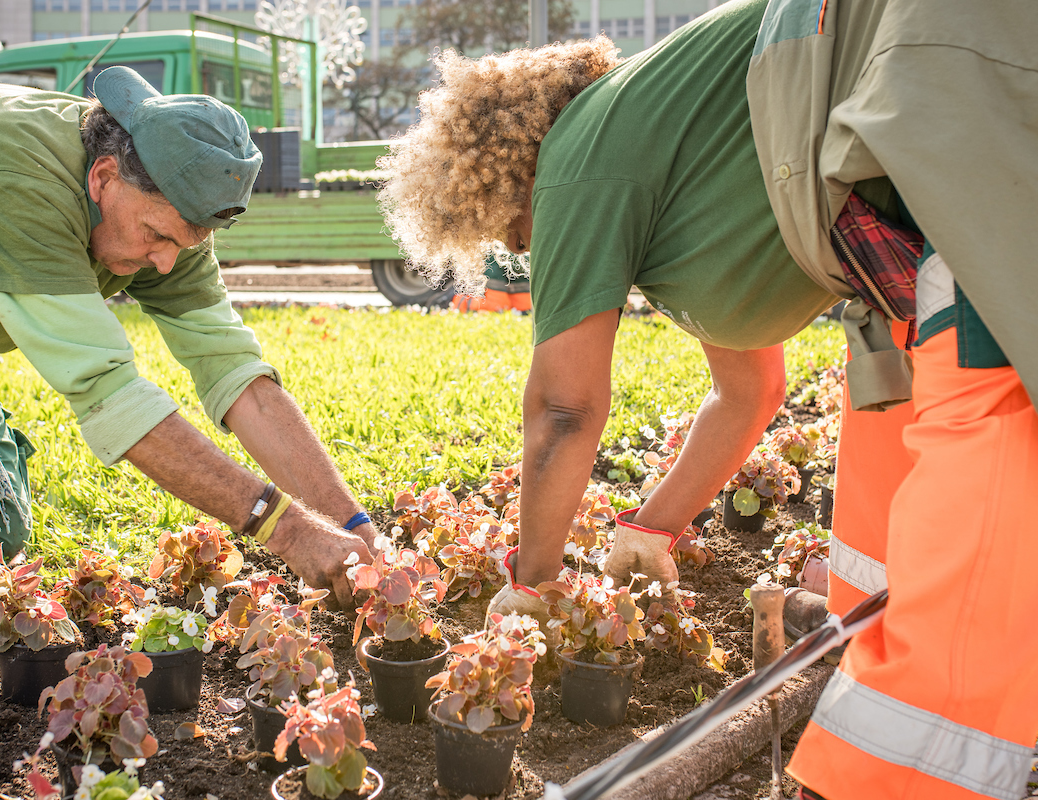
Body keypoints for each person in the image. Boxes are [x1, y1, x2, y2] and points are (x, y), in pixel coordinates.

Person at [378, 1, 1038, 798]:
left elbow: (563, 408)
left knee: (984, 475)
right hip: (924, 183)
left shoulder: (579, 163)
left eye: (512, 232)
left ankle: (905, 770)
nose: (523, 249)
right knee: (885, 425)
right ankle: (868, 646)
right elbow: (751, 391)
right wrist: (651, 527)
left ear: (509, 175)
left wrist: (531, 583)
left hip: (957, 126)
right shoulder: (670, 158)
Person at [0, 66, 375, 610]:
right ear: (102, 177)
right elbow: (109, 396)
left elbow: (237, 374)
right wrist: (288, 531)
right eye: (158, 237)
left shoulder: (171, 213)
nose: (166, 264)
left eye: (186, 244)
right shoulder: (16, 181)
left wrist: (350, 523)